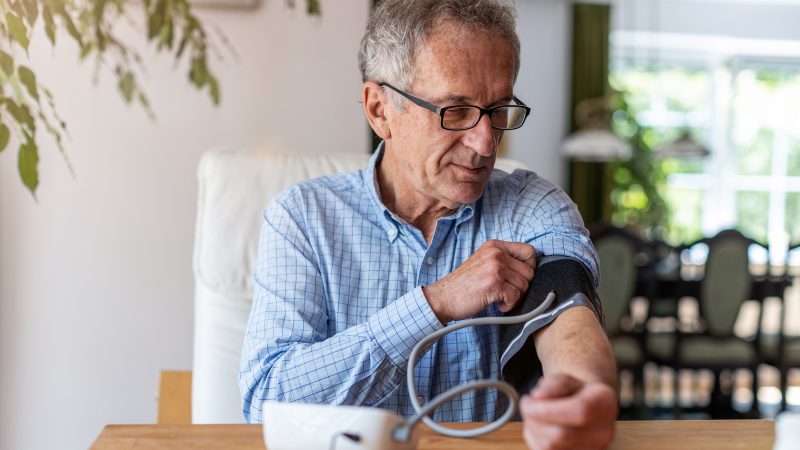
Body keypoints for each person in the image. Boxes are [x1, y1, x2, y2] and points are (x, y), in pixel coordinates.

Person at [240, 0, 618, 448]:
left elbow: (568, 312)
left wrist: (584, 392)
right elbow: (266, 402)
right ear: (380, 109)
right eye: (455, 111)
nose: (485, 142)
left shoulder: (532, 206)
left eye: (498, 109)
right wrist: (435, 303)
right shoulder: (303, 218)